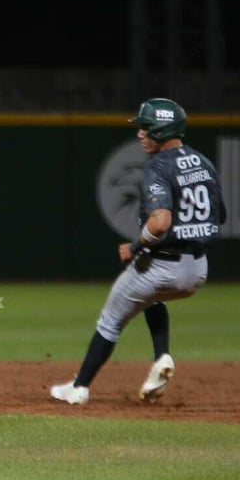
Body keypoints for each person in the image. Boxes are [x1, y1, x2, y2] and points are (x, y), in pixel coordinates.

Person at [50, 97, 226, 405]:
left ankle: (79, 388)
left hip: (160, 265)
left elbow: (159, 224)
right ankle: (162, 356)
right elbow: (219, 215)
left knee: (110, 321)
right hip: (198, 269)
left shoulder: (157, 167)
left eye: (146, 127)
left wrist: (135, 245)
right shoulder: (203, 162)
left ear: (162, 128)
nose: (140, 133)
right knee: (151, 298)